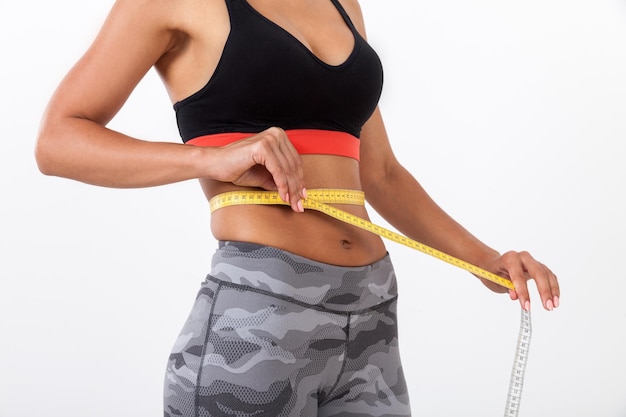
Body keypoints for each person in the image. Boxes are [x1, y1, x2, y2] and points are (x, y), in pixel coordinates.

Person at [35, 0, 560, 415]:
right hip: (261, 313)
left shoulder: (343, 5)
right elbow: (58, 140)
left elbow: (381, 174)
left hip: (373, 311)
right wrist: (211, 158)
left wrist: (485, 260)